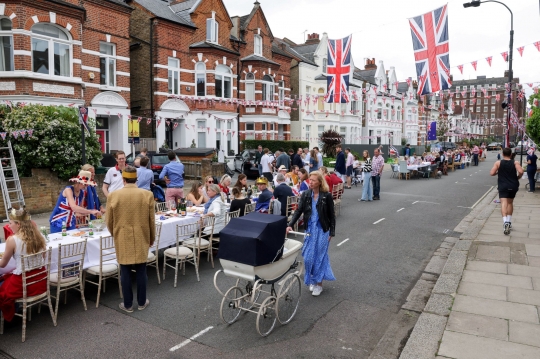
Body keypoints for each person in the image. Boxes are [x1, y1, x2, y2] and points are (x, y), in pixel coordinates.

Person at [105, 166, 155, 313]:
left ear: (123, 179)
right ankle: (141, 302)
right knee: (141, 270)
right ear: (136, 179)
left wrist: (115, 233)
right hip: (141, 234)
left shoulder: (113, 195)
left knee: (125, 271)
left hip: (122, 235)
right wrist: (151, 237)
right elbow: (151, 220)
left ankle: (127, 304)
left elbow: (109, 221)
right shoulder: (147, 195)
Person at [286, 171, 336, 297]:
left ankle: (319, 284)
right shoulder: (306, 195)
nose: (311, 182)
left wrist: (332, 232)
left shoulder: (326, 196)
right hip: (310, 230)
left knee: (319, 257)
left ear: (319, 182)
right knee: (308, 257)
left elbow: (332, 216)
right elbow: (298, 211)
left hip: (323, 230)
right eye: (310, 180)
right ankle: (313, 278)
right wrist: (290, 224)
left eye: (313, 180)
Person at [0, 207, 48, 323]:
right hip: (41, 280)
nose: (9, 226)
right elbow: (43, 257)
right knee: (7, 278)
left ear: (19, 224)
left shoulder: (12, 240)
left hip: (24, 284)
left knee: (2, 286)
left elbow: (2, 265)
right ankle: (16, 309)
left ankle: (9, 317)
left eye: (11, 223)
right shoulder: (39, 236)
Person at [490, 148, 523, 235]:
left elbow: (492, 173)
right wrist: (518, 177)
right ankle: (509, 221)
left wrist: (498, 172)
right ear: (511, 154)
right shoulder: (515, 162)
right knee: (510, 203)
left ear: (502, 154)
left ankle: (505, 222)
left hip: (503, 185)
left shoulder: (498, 163)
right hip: (513, 185)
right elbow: (521, 171)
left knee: (503, 203)